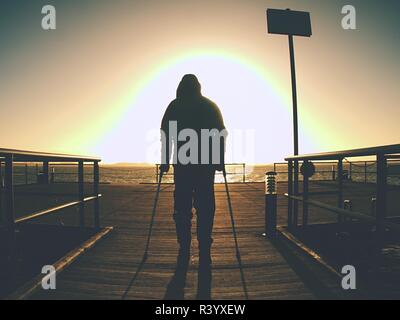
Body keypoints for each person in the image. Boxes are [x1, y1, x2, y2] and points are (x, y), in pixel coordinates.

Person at [160, 74, 226, 300]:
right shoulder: (210, 106)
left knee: (182, 205)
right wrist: (219, 160)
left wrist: (165, 161)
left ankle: (184, 244)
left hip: (183, 164)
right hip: (205, 165)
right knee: (206, 204)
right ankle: (204, 244)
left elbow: (165, 135)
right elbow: (220, 134)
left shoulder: (175, 105)